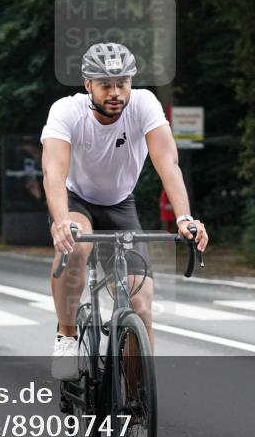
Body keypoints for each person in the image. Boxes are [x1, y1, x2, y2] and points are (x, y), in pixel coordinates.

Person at [41, 42, 208, 381]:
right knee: (77, 246)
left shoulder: (144, 104)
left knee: (142, 305)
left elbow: (168, 163)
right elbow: (53, 173)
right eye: (106, 84)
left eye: (123, 83)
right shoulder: (66, 111)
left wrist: (184, 218)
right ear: (88, 85)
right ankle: (67, 335)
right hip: (76, 202)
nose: (115, 92)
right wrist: (60, 222)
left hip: (120, 204)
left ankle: (135, 400)